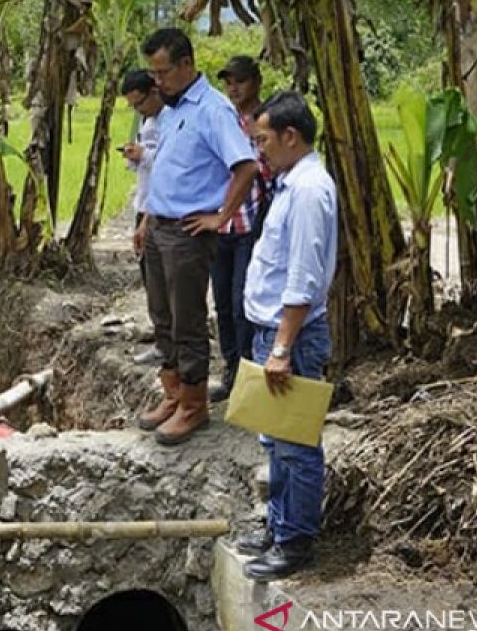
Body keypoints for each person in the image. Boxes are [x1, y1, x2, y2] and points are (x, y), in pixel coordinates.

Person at [135, 28, 259, 445]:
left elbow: (246, 165)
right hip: (159, 226)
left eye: (164, 71)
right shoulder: (172, 110)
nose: (158, 81)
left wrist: (221, 216)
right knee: (162, 315)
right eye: (154, 73)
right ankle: (173, 394)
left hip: (188, 232)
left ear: (186, 64)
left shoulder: (212, 110)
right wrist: (146, 219)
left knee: (187, 319)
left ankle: (193, 405)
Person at [235, 91, 338, 581]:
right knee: (275, 442)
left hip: (289, 337)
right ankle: (279, 527)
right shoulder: (292, 184)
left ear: (290, 137)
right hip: (274, 333)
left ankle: (295, 539)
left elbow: (302, 278)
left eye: (263, 140)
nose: (260, 151)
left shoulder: (308, 190)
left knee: (295, 444)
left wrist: (281, 347)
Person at [210, 56, 270, 403]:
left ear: (255, 82)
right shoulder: (224, 119)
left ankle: (248, 373)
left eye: (240, 81)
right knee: (222, 303)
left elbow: (270, 172)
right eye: (229, 83)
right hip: (221, 225)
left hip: (251, 225)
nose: (234, 89)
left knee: (242, 301)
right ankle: (232, 369)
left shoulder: (267, 121)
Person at [119, 69, 165, 366]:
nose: (139, 110)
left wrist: (144, 156)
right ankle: (161, 333)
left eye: (140, 103)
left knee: (162, 278)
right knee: (150, 275)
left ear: (154, 92)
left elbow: (172, 163)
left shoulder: (171, 121)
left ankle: (167, 342)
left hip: (160, 207)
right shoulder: (148, 121)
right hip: (145, 203)